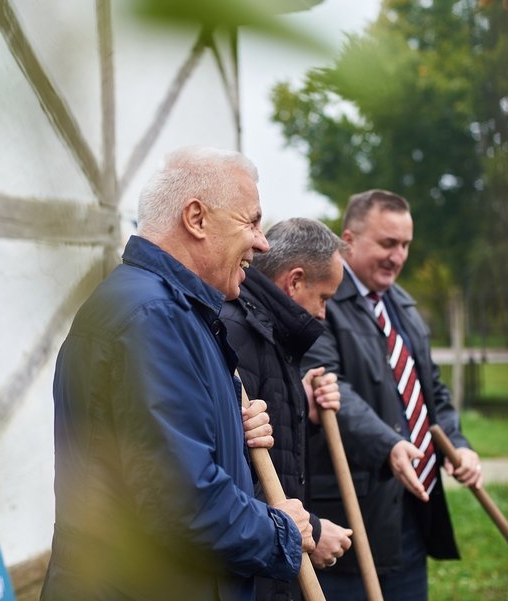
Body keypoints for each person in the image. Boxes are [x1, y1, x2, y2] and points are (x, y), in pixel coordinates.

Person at [39, 146, 314, 601]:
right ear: (196, 218)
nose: (262, 243)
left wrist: (231, 432)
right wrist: (280, 531)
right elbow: (182, 503)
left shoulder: (173, 310)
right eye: (251, 221)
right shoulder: (152, 317)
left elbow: (165, 459)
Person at [304, 190, 483, 601]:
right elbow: (329, 389)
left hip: (409, 511)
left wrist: (457, 443)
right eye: (387, 243)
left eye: (405, 245)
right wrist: (388, 445)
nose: (398, 256)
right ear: (348, 239)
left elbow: (430, 389)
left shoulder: (401, 303)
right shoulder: (322, 302)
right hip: (351, 515)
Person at [220, 218, 354, 601]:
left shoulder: (272, 334)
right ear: (294, 282)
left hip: (271, 557)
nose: (324, 314)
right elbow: (232, 466)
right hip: (252, 568)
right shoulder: (238, 330)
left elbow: (268, 443)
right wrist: (307, 528)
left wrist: (305, 411)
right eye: (324, 298)